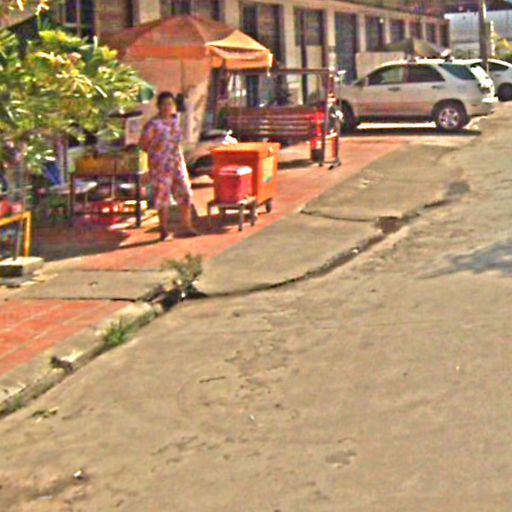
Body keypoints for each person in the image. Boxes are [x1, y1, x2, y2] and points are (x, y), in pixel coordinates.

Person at [139, 91, 198, 241]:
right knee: (163, 197)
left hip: (177, 162)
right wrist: (156, 153)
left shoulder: (175, 120)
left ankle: (187, 226)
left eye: (170, 104)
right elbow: (143, 144)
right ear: (158, 106)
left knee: (185, 192)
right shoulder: (153, 125)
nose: (167, 107)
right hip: (160, 165)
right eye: (164, 104)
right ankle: (164, 230)